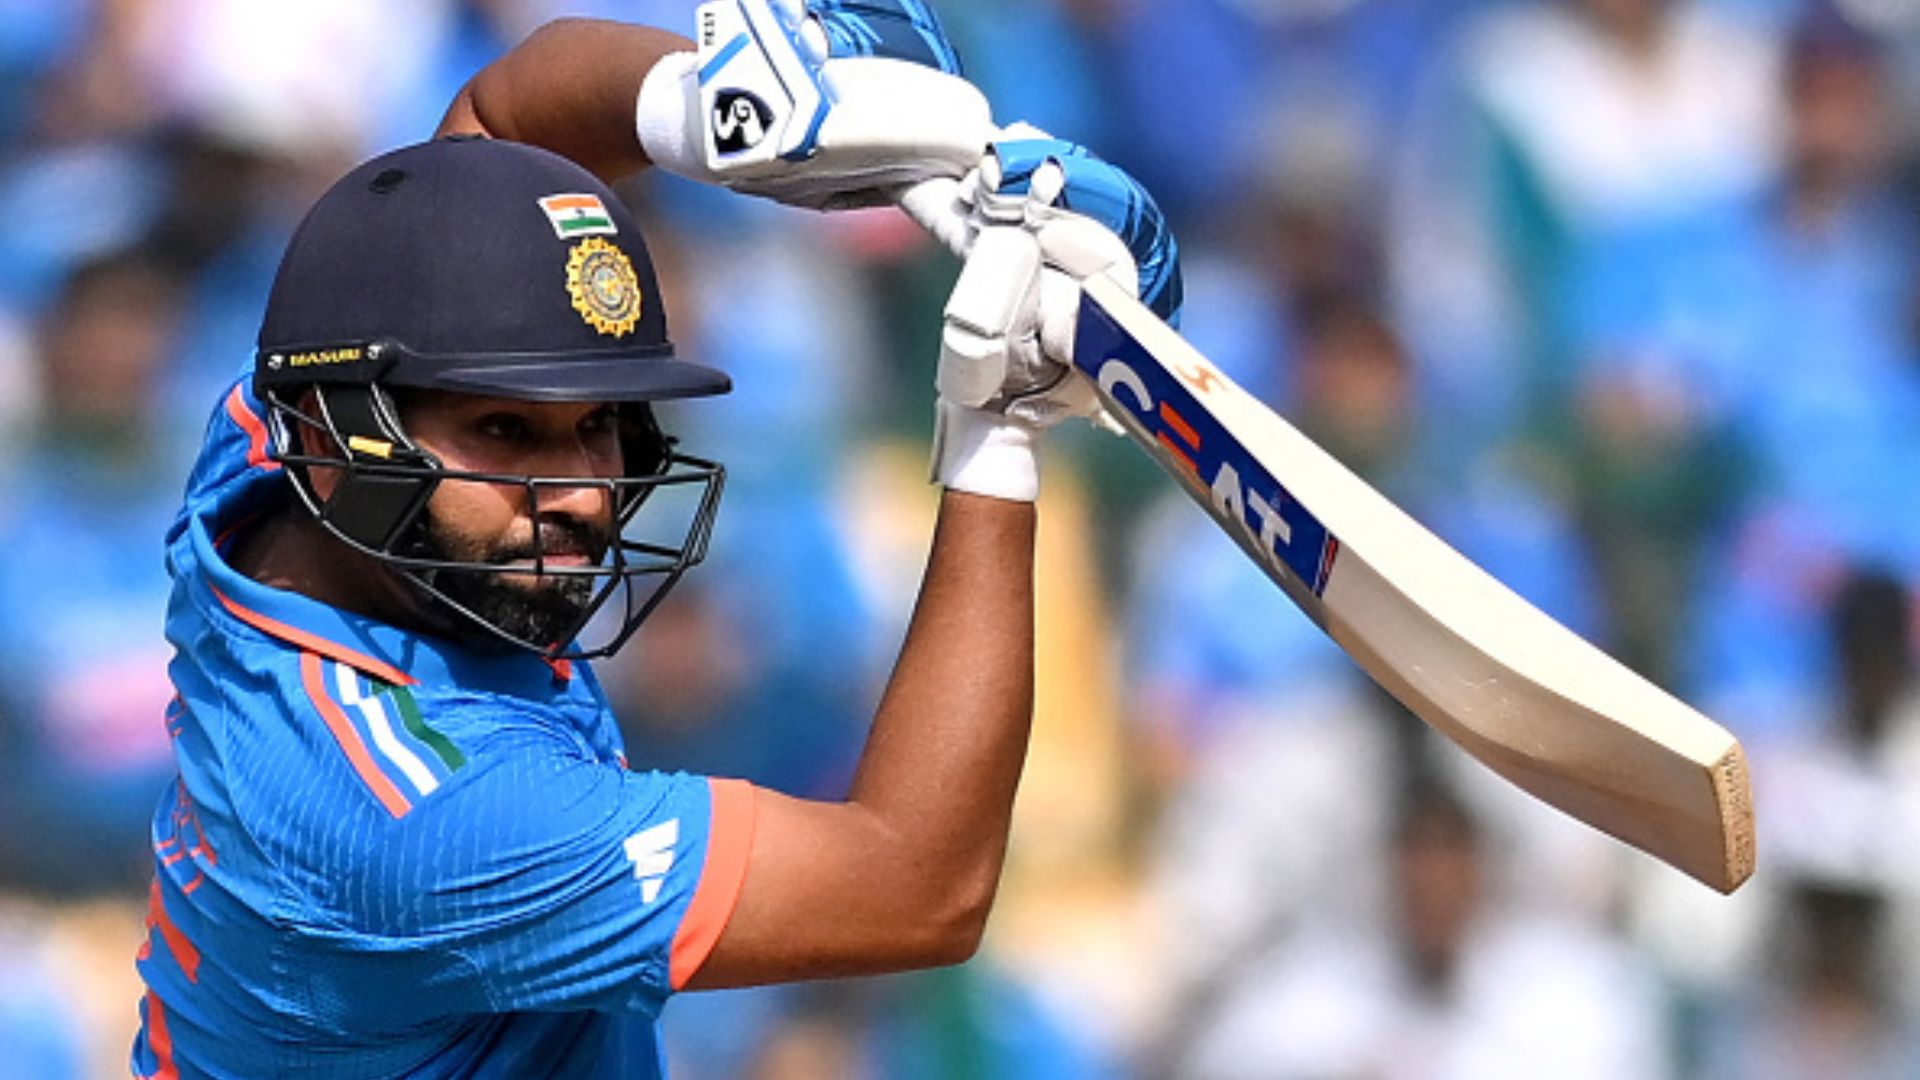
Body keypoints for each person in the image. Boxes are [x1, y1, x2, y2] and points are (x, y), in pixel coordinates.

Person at [126, 4, 1181, 1077]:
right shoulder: (418, 818)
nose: (582, 495)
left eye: (599, 429)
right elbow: (917, 888)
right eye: (508, 432)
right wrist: (996, 430)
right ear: (334, 446)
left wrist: (710, 112)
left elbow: (500, 118)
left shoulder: (277, 458)